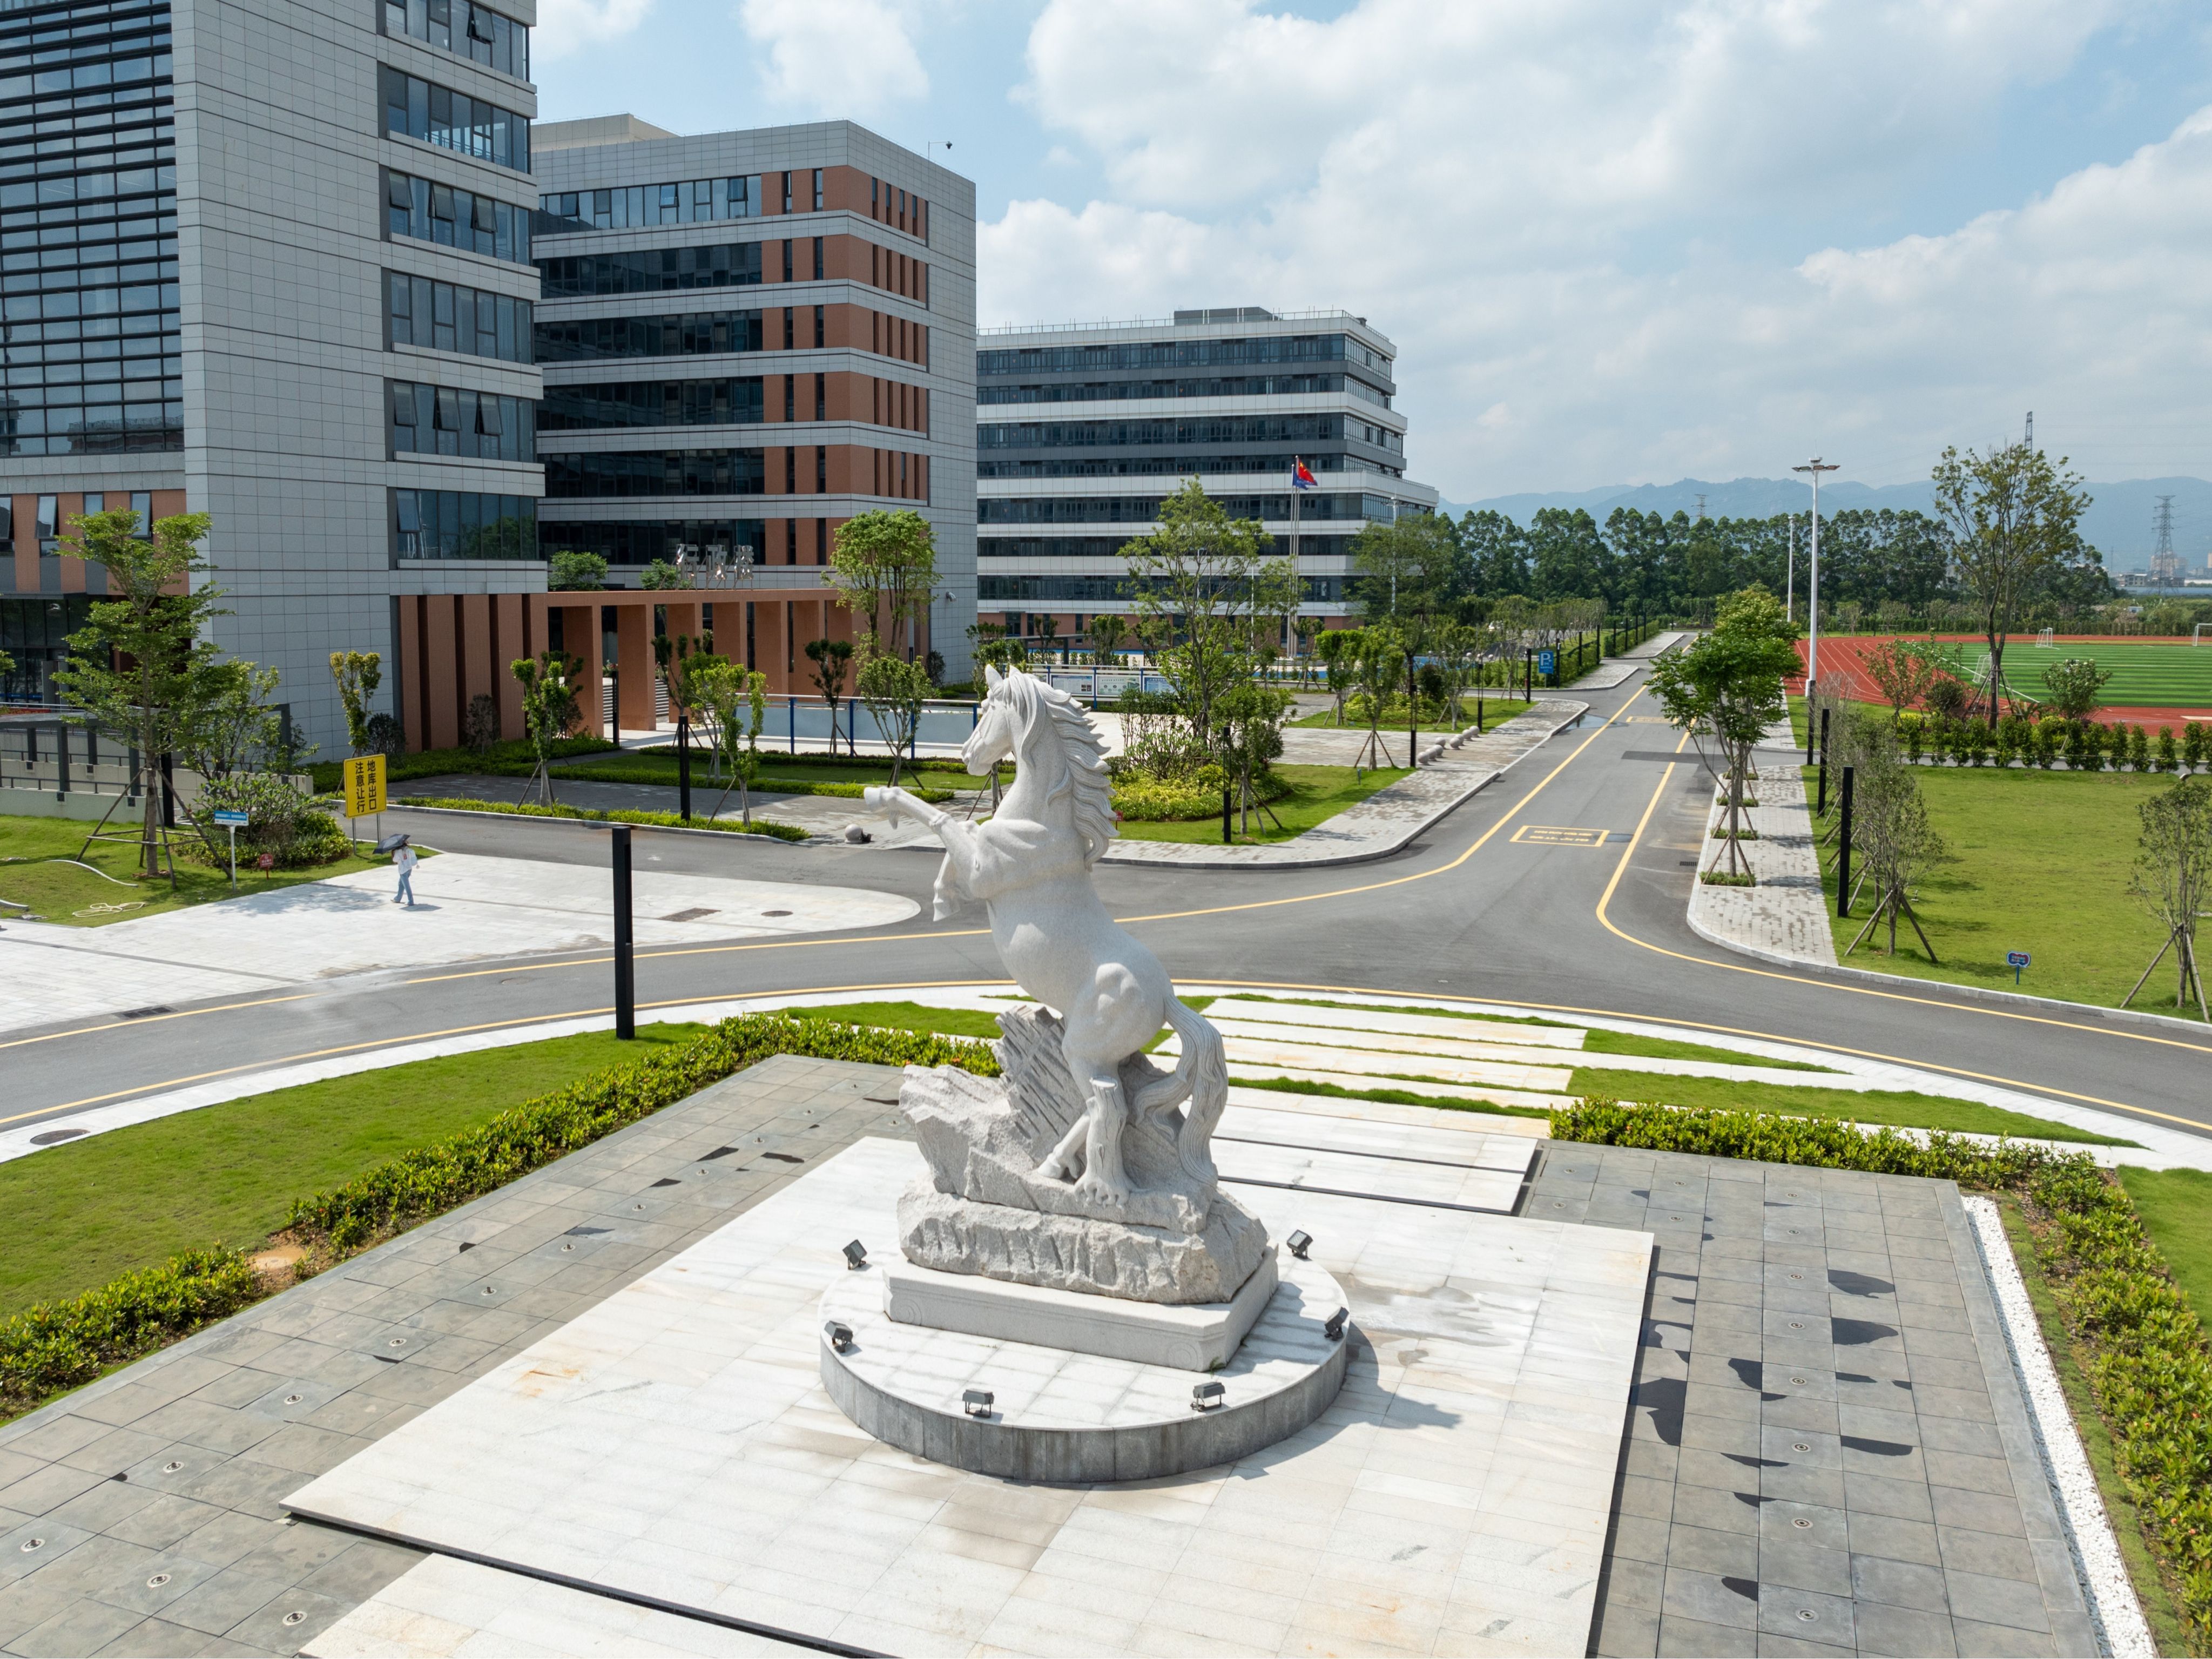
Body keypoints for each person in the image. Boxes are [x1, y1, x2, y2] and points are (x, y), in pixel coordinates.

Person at [392, 839, 417, 907]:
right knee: (401, 884)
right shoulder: (407, 849)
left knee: (406, 886)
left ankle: (411, 901)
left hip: (403, 871)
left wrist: (394, 853)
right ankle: (398, 898)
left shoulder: (398, 852)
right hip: (409, 869)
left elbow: (394, 860)